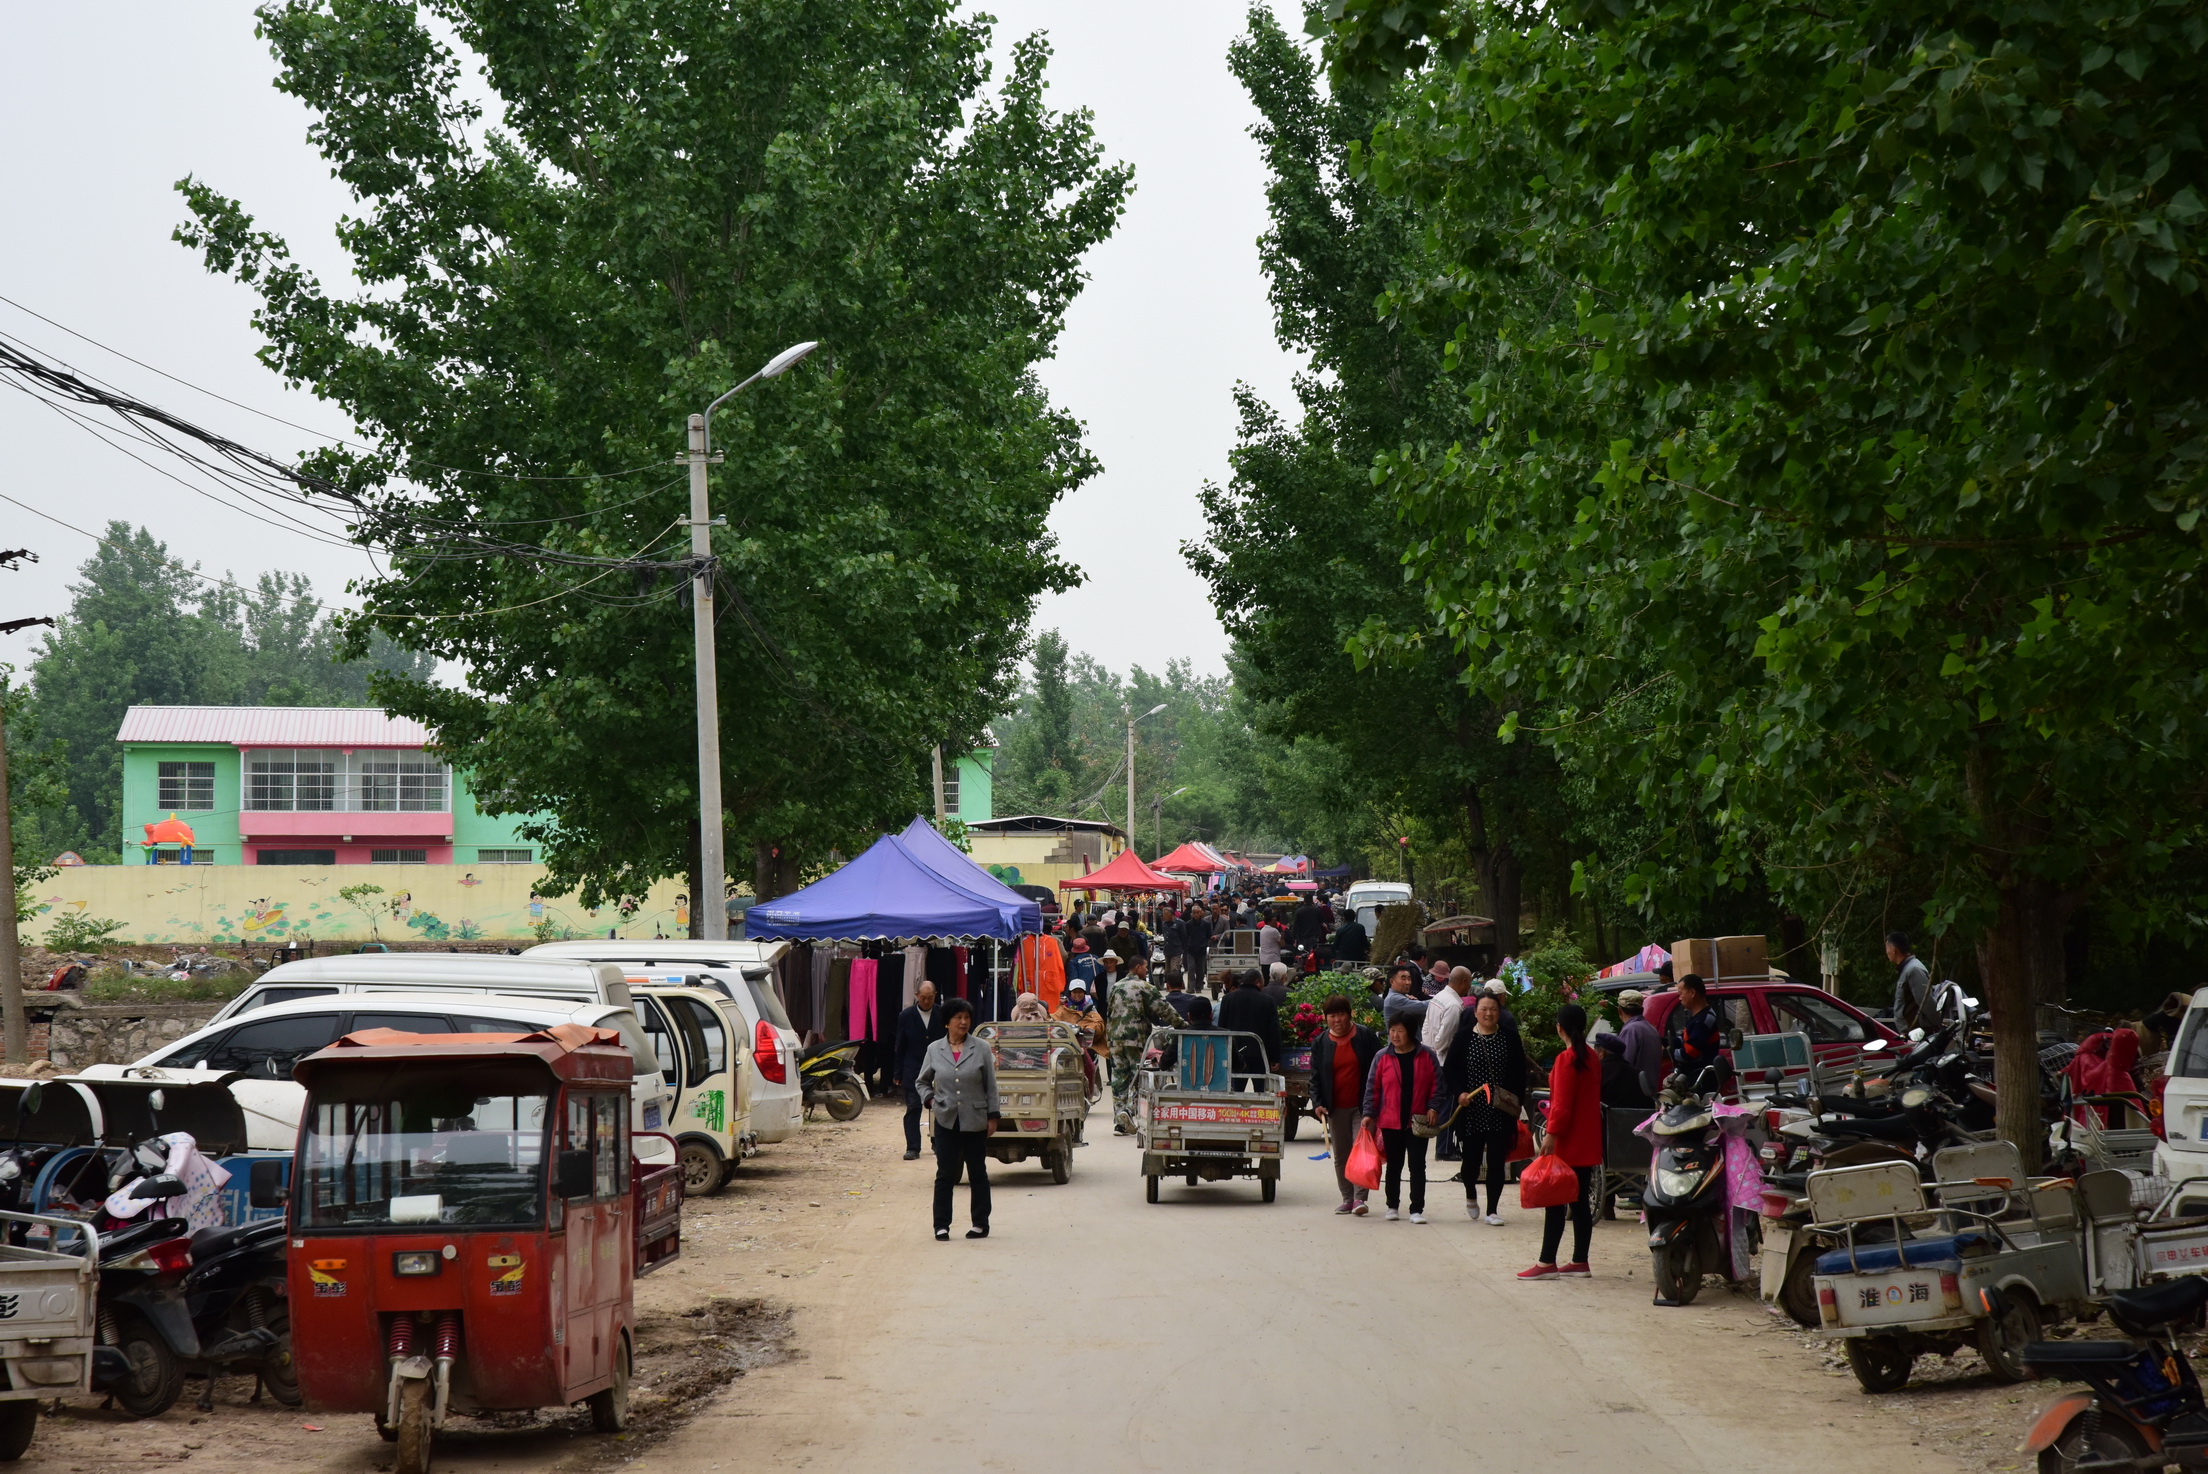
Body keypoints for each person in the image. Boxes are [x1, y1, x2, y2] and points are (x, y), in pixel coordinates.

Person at [1519, 1003, 1601, 1278]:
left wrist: (1551, 1135)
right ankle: (1580, 1260)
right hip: (1587, 1139)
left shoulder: (1567, 1059)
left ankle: (1546, 1262)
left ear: (1560, 1028)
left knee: (1555, 1200)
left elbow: (1562, 1105)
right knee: (1578, 1202)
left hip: (1567, 1139)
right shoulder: (1592, 1057)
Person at [915, 998, 1000, 1241]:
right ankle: (941, 1225)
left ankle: (980, 1223)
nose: (963, 1022)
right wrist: (931, 1100)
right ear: (947, 1023)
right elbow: (921, 1081)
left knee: (978, 1172)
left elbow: (991, 1086)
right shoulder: (934, 1050)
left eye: (967, 1018)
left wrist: (993, 1116)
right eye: (958, 1018)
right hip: (946, 1120)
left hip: (975, 1119)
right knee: (945, 1174)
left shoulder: (981, 1048)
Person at [1445, 990, 1529, 1224]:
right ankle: (1471, 1193)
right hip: (1472, 1108)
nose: (1489, 1013)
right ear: (1475, 1012)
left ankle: (1492, 1210)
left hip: (1500, 1110)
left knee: (1496, 1160)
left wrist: (1516, 1102)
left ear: (1499, 1012)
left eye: (1493, 1009)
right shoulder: (1463, 1038)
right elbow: (1449, 1070)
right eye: (1483, 1009)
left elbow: (1520, 1073)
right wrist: (1460, 1093)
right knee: (1470, 1161)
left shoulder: (1510, 1038)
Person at [1360, 1014, 1448, 1223]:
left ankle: (1416, 1209)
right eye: (1392, 1030)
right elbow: (1373, 1088)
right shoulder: (1382, 1057)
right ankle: (1392, 1206)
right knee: (1394, 1165)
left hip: (1418, 1121)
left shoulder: (1426, 1055)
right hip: (1390, 1121)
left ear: (1410, 1032)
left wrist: (1434, 1107)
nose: (1395, 1035)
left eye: (1400, 1031)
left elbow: (1438, 1085)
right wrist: (1368, 1114)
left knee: (1417, 1165)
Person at [1310, 994, 1381, 1215]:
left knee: (1361, 1152)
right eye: (1332, 1015)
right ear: (1326, 1018)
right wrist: (1318, 1103)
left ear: (1349, 1015)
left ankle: (1360, 1198)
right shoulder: (1321, 1042)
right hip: (1335, 1107)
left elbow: (1378, 1068)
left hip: (1362, 1105)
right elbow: (1315, 1076)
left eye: (1341, 1014)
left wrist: (1377, 1102)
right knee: (1341, 1154)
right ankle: (1347, 1198)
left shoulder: (1365, 1036)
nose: (1337, 1020)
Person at [1106, 957, 1183, 1133]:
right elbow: (1164, 1009)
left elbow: (1109, 1012)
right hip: (1135, 1038)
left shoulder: (1116, 986)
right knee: (1136, 1077)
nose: (1147, 971)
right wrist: (1182, 1025)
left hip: (1115, 1039)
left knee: (1119, 1079)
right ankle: (1130, 1112)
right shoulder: (1144, 987)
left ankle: (1119, 1120)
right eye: (1145, 967)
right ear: (1138, 967)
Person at [892, 981, 946, 1160]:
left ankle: (938, 1143)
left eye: (930, 998)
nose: (926, 1001)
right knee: (913, 1107)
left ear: (935, 996)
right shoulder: (906, 1016)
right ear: (916, 996)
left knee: (939, 1107)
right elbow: (900, 1045)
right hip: (913, 1067)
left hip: (939, 1067)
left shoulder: (942, 1014)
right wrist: (897, 1073)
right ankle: (913, 1147)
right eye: (923, 998)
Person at [1217, 968, 1284, 1084]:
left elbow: (1222, 1027)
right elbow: (1274, 1031)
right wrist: (1275, 1057)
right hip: (1260, 1055)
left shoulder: (1228, 999)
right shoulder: (1267, 1001)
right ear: (1258, 982)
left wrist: (1222, 1054)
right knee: (1261, 1093)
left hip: (1235, 1054)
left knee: (1237, 1093)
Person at [1661, 973, 1724, 1091]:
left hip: (1701, 1080)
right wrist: (1662, 1041)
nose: (1679, 998)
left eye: (1681, 993)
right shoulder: (1698, 1017)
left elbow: (1688, 1054)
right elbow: (1684, 1040)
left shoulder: (1702, 1021)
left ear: (1692, 993)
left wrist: (1666, 1053)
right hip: (1693, 1078)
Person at [1615, 989, 1663, 1099]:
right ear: (1641, 1010)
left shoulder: (1631, 1030)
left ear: (1620, 1011)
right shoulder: (1650, 1028)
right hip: (1650, 1092)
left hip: (1636, 1094)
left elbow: (1624, 1064)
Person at [1595, 1032, 1652, 1108]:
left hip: (1606, 1118)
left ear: (1602, 1053)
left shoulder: (1597, 1072)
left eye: (1595, 1051)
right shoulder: (1637, 1074)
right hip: (1636, 1118)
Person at [1887, 932, 1931, 1028]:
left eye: (1887, 948)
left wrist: (1937, 1025)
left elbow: (1926, 1002)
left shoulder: (1914, 969)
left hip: (1914, 1033)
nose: (1886, 952)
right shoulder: (1906, 969)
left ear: (1894, 950)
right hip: (1906, 1032)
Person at [1380, 963, 1427, 1031]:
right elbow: (1422, 1006)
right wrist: (1441, 999)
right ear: (1392, 981)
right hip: (1399, 1040)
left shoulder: (1403, 995)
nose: (1407, 982)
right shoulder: (1394, 998)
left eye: (1409, 979)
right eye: (1403, 979)